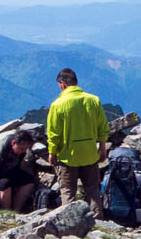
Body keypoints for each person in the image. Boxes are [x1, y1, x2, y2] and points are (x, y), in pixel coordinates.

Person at [46, 67, 110, 217]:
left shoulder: (58, 104)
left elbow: (54, 133)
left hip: (68, 156)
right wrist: (102, 148)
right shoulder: (93, 100)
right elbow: (103, 127)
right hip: (89, 154)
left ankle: (69, 221)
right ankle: (97, 220)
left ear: (62, 84)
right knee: (93, 189)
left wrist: (52, 152)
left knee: (68, 190)